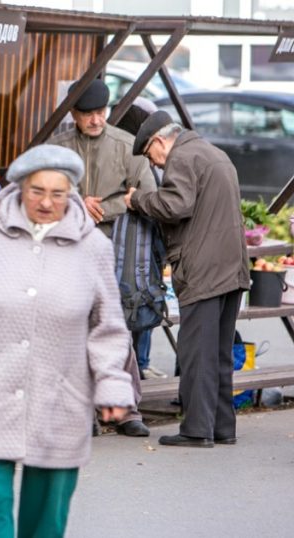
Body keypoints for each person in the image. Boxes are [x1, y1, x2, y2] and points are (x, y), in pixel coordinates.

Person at [0, 144, 135, 538]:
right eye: (38, 191)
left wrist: (113, 386)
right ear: (19, 188)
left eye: (59, 193)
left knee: (46, 518)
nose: (48, 203)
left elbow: (108, 326)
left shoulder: (94, 248)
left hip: (60, 399)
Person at [125, 110, 251, 447]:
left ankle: (196, 429)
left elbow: (175, 205)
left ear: (160, 141)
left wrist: (138, 200)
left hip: (203, 271)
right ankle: (223, 427)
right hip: (231, 267)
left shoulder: (182, 157)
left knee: (196, 352)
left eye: (150, 155)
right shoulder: (214, 153)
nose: (155, 163)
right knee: (220, 352)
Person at [50, 78, 155, 437]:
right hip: (65, 252)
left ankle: (125, 410)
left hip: (114, 251)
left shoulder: (127, 146)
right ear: (74, 115)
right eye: (87, 114)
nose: (95, 120)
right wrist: (75, 202)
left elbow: (148, 195)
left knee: (115, 327)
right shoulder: (57, 148)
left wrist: (105, 206)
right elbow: (35, 196)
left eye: (100, 112)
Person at [114, 97, 169, 381]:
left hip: (130, 236)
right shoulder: (137, 153)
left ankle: (137, 365)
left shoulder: (120, 145)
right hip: (138, 236)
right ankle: (140, 365)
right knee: (141, 293)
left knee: (135, 295)